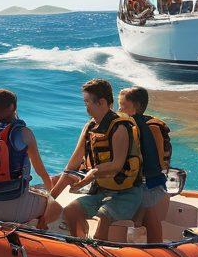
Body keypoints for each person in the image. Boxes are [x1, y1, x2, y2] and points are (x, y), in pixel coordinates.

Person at [51, 78, 143, 240]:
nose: (85, 107)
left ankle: (99, 250)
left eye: (87, 102)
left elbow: (116, 165)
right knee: (71, 210)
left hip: (126, 193)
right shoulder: (90, 127)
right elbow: (73, 163)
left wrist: (86, 180)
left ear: (101, 103)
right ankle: (82, 242)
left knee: (103, 216)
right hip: (101, 190)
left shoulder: (120, 128)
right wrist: (50, 200)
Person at [0, 88, 62, 229]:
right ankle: (37, 229)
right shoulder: (24, 133)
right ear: (12, 107)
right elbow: (41, 172)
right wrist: (51, 197)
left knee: (33, 193)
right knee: (57, 208)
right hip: (18, 205)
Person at [118, 87, 172, 243]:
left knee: (147, 210)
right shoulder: (127, 125)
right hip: (136, 181)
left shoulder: (149, 127)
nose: (119, 109)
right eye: (119, 105)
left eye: (123, 106)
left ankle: (157, 245)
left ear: (137, 107)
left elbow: (158, 162)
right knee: (136, 216)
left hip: (151, 183)